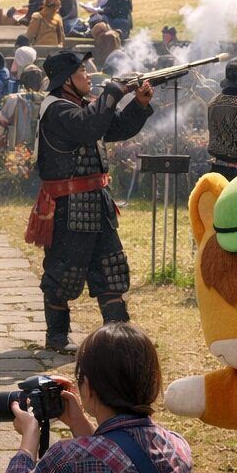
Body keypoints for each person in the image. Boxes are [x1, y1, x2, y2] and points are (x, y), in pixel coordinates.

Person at [27, 51, 153, 353]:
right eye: (82, 70)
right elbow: (87, 126)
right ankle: (56, 337)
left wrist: (139, 103)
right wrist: (111, 93)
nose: (88, 75)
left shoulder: (83, 107)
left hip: (98, 201)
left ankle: (118, 337)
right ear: (66, 80)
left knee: (112, 269)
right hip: (69, 206)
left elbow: (116, 127)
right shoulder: (57, 110)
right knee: (63, 272)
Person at [0, 323, 192, 473]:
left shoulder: (68, 459)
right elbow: (119, 461)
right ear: (153, 381)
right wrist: (78, 423)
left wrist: (29, 440)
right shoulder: (178, 448)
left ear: (88, 387)